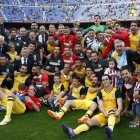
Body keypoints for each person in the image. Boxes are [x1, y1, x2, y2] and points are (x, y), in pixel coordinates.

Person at [61, 74, 123, 140]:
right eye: (103, 80)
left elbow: (120, 104)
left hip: (114, 114)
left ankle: (109, 131)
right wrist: (104, 113)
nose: (105, 81)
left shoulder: (116, 91)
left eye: (106, 79)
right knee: (90, 122)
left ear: (110, 80)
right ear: (102, 82)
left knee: (111, 109)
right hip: (104, 113)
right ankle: (73, 132)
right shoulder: (100, 93)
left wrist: (118, 112)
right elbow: (100, 105)